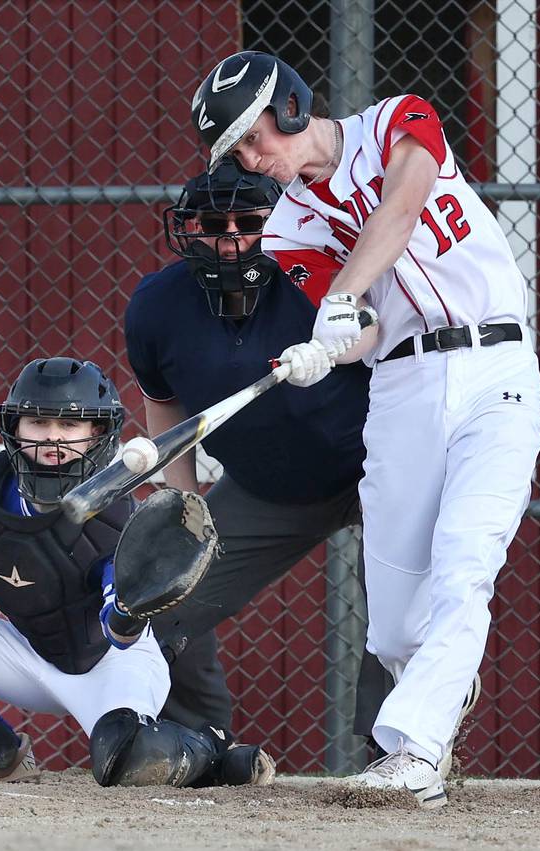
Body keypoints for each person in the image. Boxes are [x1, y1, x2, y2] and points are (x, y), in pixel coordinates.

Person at [190, 51, 540, 807]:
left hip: (495, 368)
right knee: (393, 629)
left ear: (288, 106)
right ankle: (441, 682)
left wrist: (343, 296)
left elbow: (404, 203)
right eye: (238, 155)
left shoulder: (395, 121)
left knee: (463, 564)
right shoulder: (288, 228)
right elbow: (367, 328)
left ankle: (413, 755)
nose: (255, 162)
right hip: (404, 387)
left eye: (254, 140)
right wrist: (325, 349)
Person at [0, 356, 274, 788]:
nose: (53, 437)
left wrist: (130, 610)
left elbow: (118, 633)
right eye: (37, 421)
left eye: (70, 426)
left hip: (108, 662)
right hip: (27, 654)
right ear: (14, 428)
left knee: (128, 759)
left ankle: (211, 752)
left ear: (97, 435)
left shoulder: (115, 515)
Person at [125, 157, 391, 746]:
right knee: (166, 597)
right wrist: (182, 500)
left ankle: (394, 750)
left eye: (249, 222)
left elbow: (372, 327)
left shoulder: (313, 272)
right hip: (266, 487)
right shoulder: (158, 305)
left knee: (400, 613)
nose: (231, 241)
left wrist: (338, 345)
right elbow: (164, 403)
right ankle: (196, 743)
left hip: (371, 468)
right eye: (212, 226)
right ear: (185, 229)